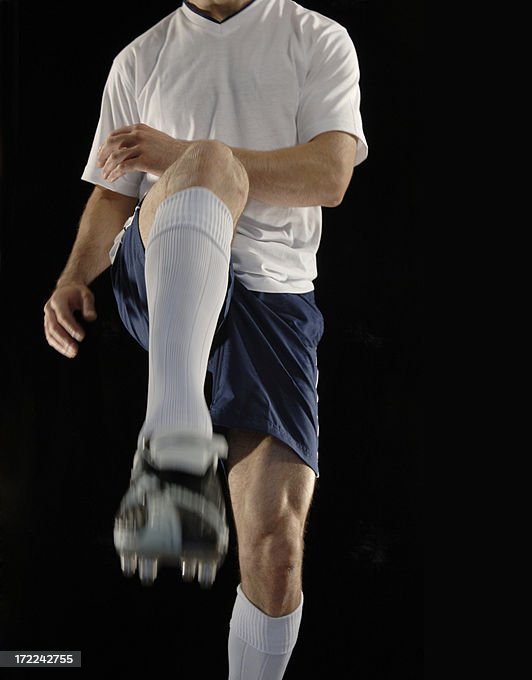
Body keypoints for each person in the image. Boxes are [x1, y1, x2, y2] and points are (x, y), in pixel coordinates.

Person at [40, 0, 368, 676]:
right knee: (208, 165)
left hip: (274, 300)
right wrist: (74, 275)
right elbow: (113, 191)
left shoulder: (315, 38)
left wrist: (179, 152)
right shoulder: (142, 57)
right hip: (164, 266)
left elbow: (329, 175)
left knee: (276, 553)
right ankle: (175, 449)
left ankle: (175, 451)